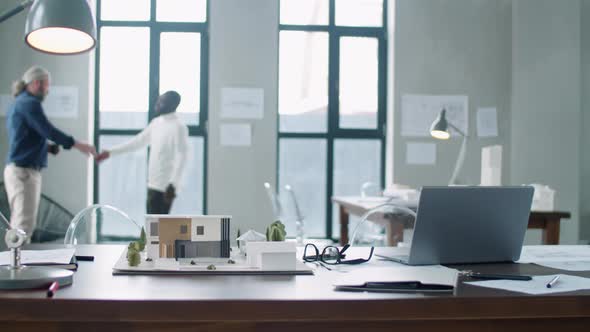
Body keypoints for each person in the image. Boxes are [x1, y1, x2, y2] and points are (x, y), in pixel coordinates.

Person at [4, 66, 97, 238]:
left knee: (19, 223)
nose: (48, 90)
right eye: (47, 85)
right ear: (37, 83)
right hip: (24, 173)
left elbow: (24, 137)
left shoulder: (19, 103)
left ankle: (16, 262)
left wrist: (47, 148)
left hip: (19, 171)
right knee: (23, 226)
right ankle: (16, 264)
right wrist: (78, 144)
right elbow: (48, 131)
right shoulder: (29, 103)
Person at [96, 91, 189, 214]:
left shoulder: (179, 127)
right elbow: (137, 142)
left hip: (166, 188)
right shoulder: (156, 123)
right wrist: (110, 152)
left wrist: (173, 185)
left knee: (159, 228)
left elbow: (182, 157)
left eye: (161, 102)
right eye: (158, 100)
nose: (157, 104)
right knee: (152, 226)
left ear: (172, 105)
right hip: (152, 184)